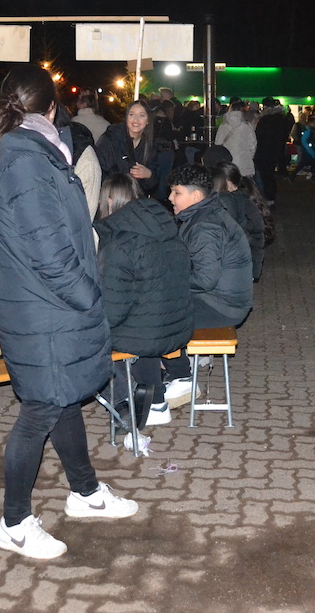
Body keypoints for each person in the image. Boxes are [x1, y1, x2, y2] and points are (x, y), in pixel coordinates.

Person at [0, 66, 137, 560]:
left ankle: (85, 492)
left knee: (62, 398)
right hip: (46, 307)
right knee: (41, 409)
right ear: (52, 108)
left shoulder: (18, 150)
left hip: (41, 304)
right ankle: (15, 523)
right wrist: (88, 297)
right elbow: (49, 250)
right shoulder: (25, 160)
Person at [93, 175, 193, 450]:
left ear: (109, 201)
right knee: (141, 321)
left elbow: (113, 310)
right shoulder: (167, 228)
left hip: (150, 333)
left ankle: (134, 403)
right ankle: (158, 395)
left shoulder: (119, 243)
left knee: (89, 340)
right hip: (178, 327)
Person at [162, 164, 253, 405]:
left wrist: (165, 280)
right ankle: (171, 369)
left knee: (156, 316)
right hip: (218, 299)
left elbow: (204, 279)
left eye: (176, 192)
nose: (170, 198)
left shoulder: (205, 226)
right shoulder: (204, 215)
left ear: (195, 196)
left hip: (222, 305)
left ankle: (181, 378)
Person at [210, 161, 269, 281]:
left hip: (240, 265)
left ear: (227, 182)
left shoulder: (230, 202)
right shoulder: (242, 198)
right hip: (244, 264)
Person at [95, 99, 158, 195]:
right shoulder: (111, 138)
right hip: (112, 195)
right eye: (131, 115)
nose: (136, 120)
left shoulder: (149, 144)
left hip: (135, 197)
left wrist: (148, 174)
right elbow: (99, 172)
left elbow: (153, 183)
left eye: (141, 115)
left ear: (148, 120)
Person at [252, 98, 290, 203]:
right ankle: (271, 197)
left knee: (264, 175)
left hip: (264, 151)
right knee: (270, 174)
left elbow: (258, 135)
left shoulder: (265, 120)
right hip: (275, 151)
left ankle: (265, 196)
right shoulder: (281, 119)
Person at [214, 100, 257, 181]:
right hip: (244, 161)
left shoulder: (223, 125)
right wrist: (248, 156)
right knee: (245, 184)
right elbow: (253, 144)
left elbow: (218, 143)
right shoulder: (247, 125)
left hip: (227, 161)